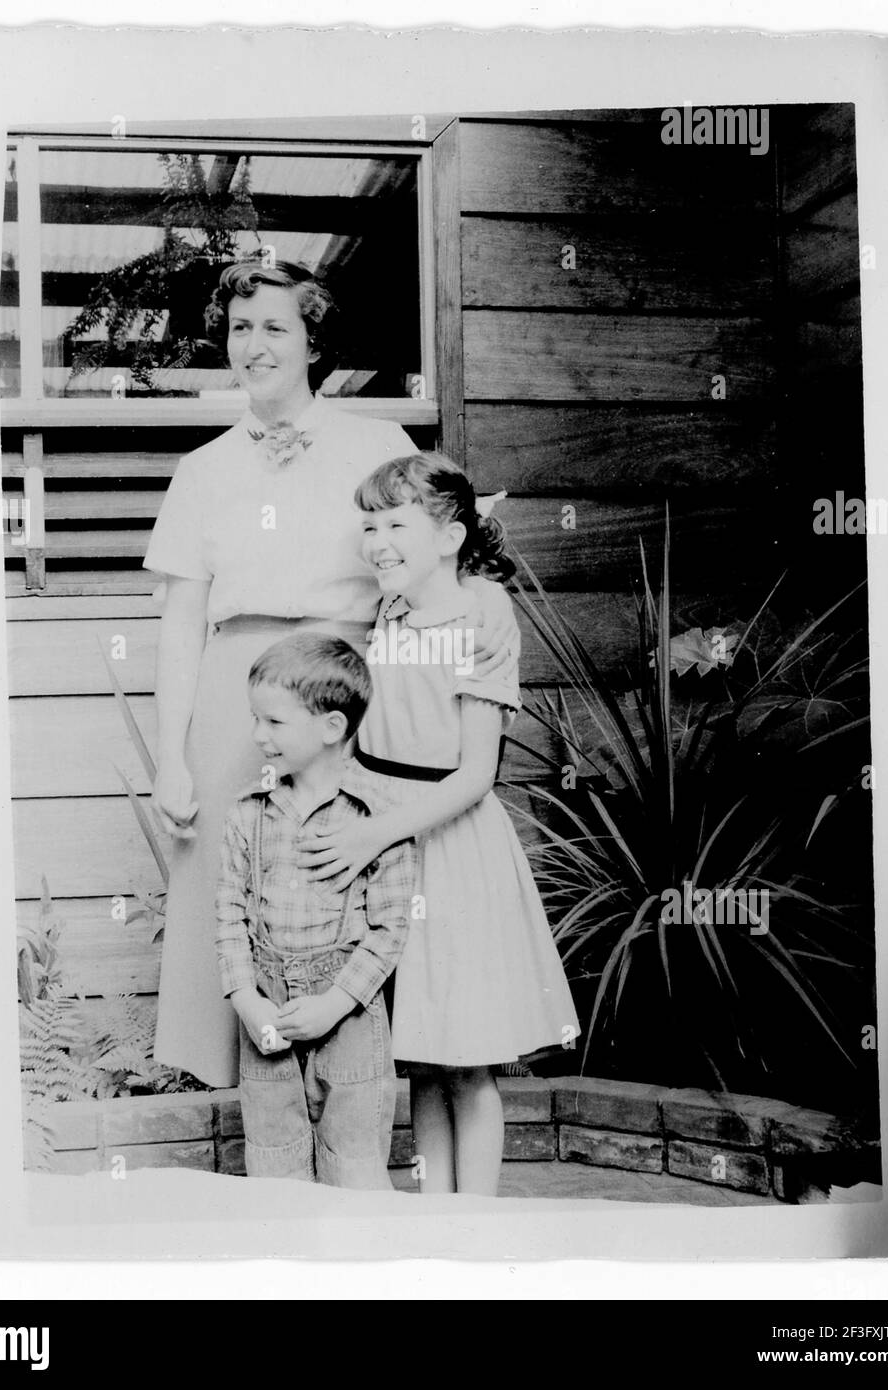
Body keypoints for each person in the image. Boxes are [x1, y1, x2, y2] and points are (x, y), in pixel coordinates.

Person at [144, 256, 511, 1088]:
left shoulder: (376, 443)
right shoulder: (202, 470)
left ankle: (355, 1096)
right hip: (241, 687)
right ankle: (248, 1105)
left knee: (344, 868)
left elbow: (428, 553)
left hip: (351, 683)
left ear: (313, 340)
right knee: (238, 873)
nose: (254, 344)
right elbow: (178, 621)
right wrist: (171, 753)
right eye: (241, 328)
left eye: (275, 326)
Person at [301, 453, 581, 1196]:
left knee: (467, 1056)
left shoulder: (482, 611)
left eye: (395, 524)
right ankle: (435, 1223)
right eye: (369, 524)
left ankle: (476, 1227)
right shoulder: (392, 608)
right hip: (387, 836)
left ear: (451, 537)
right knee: (423, 1051)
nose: (376, 540)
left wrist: (372, 834)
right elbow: (375, 733)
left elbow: (475, 774)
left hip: (449, 845)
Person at [214, 633, 416, 1188]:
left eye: (274, 723)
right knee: (274, 1165)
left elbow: (391, 927)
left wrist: (333, 1003)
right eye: (255, 719)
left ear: (332, 727)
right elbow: (229, 919)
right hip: (267, 1019)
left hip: (348, 1015)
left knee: (354, 1167)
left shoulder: (377, 817)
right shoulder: (247, 815)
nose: (258, 736)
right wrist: (248, 1002)